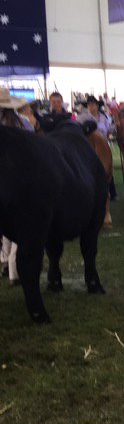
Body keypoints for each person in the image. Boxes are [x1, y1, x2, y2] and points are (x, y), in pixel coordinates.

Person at [0, 88, 35, 285]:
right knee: (20, 222)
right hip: (22, 176)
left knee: (5, 223)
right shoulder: (24, 124)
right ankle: (14, 269)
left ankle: (6, 261)